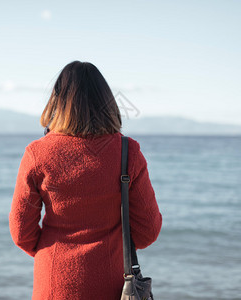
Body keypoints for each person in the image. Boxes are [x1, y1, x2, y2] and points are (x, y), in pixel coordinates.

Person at [9, 60, 162, 299]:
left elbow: (21, 233)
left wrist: (53, 253)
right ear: (106, 101)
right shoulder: (127, 152)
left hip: (53, 283)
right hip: (112, 286)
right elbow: (147, 232)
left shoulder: (37, 154)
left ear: (57, 102)